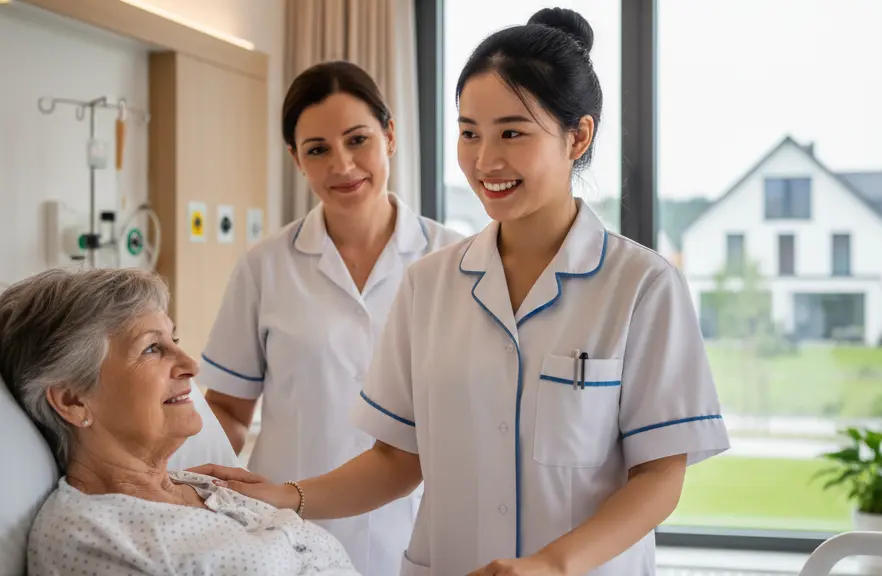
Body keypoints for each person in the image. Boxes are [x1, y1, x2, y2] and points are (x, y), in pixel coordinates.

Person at [193, 8, 730, 575]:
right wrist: (287, 495)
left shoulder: (642, 286)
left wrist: (552, 565)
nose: (484, 159)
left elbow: (660, 477)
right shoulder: (429, 284)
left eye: (512, 133)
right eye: (469, 132)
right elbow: (398, 460)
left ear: (578, 136)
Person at [199, 60, 463, 576]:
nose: (342, 165)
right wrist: (193, 486)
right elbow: (228, 408)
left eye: (357, 139)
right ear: (297, 160)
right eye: (318, 149)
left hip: (415, 528)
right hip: (286, 534)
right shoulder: (265, 265)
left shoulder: (455, 262)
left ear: (389, 135)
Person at [0, 268, 360, 576]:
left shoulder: (204, 486)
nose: (191, 364)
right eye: (152, 348)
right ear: (73, 401)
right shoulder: (89, 537)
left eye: (174, 339)